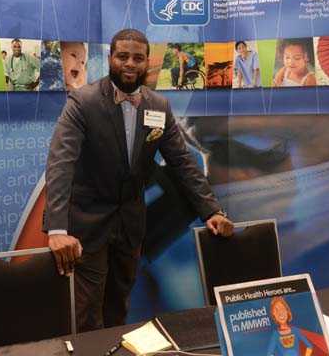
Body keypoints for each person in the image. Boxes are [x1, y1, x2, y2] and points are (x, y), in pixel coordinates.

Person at [44, 29, 233, 332]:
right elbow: (60, 163)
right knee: (87, 314)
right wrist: (57, 228)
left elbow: (183, 163)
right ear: (110, 58)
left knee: (119, 309)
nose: (130, 64)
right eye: (123, 56)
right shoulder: (82, 101)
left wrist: (212, 210)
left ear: (148, 62)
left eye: (137, 58)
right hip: (87, 227)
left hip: (131, 227)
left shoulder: (158, 106)